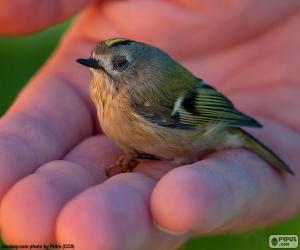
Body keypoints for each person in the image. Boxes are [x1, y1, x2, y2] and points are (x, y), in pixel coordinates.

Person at [0, 1, 299, 249]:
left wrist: (231, 122)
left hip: (206, 123)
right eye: (96, 61)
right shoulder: (102, 90)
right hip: (190, 102)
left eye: (119, 64)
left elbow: (198, 106)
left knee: (182, 198)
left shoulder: (140, 96)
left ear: (138, 66)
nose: (99, 68)